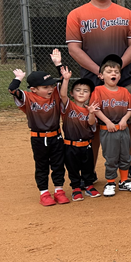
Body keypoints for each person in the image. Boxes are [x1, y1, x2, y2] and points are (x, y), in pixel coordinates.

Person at [65, 0, 131, 184]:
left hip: (124, 79)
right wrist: (98, 71)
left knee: (125, 124)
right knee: (92, 125)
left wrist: (115, 68)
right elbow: (74, 49)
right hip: (91, 82)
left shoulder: (126, 13)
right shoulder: (77, 14)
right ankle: (88, 172)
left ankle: (128, 168)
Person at [9, 64, 69, 206]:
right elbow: (12, 89)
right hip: (38, 138)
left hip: (56, 136)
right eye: (45, 87)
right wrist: (18, 79)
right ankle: (44, 193)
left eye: (51, 86)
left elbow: (63, 78)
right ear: (34, 89)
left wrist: (58, 64)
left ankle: (59, 190)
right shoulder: (27, 98)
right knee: (42, 165)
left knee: (58, 164)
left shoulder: (55, 94)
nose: (50, 89)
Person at [51, 49, 99, 201]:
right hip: (70, 145)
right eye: (78, 90)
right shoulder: (68, 106)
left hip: (86, 145)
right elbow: (62, 95)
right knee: (72, 168)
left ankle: (89, 186)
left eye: (85, 91)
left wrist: (92, 112)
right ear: (72, 93)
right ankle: (76, 188)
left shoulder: (90, 109)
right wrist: (65, 79)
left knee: (87, 167)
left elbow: (92, 125)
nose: (81, 93)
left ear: (90, 95)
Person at [91, 54, 131, 196]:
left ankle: (124, 181)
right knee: (111, 158)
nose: (113, 74)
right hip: (108, 130)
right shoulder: (98, 91)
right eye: (109, 71)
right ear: (101, 76)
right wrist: (107, 122)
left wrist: (125, 119)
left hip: (122, 130)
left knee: (125, 156)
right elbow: (96, 109)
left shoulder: (124, 91)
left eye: (116, 72)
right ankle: (110, 182)